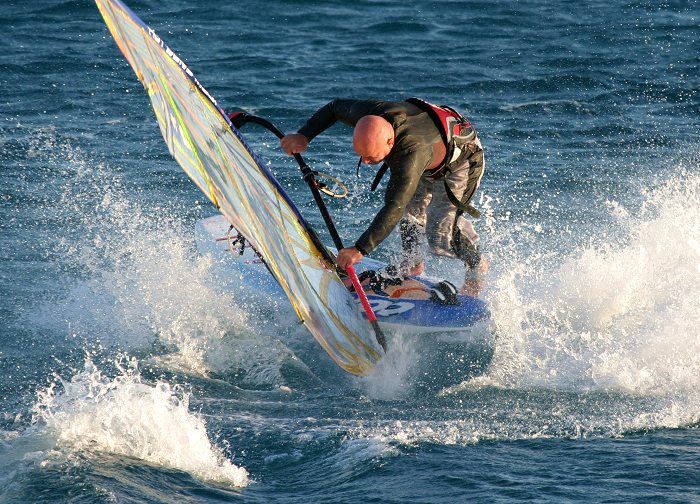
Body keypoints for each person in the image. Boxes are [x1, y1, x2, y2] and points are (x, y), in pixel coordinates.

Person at [280, 98, 486, 295]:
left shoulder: (410, 154)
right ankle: (412, 264)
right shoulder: (371, 114)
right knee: (410, 216)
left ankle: (476, 265)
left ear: (389, 142)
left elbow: (394, 206)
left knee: (439, 236)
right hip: (429, 144)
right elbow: (334, 107)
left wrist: (360, 249)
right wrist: (304, 135)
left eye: (370, 156)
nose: (366, 162)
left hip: (460, 161)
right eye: (362, 155)